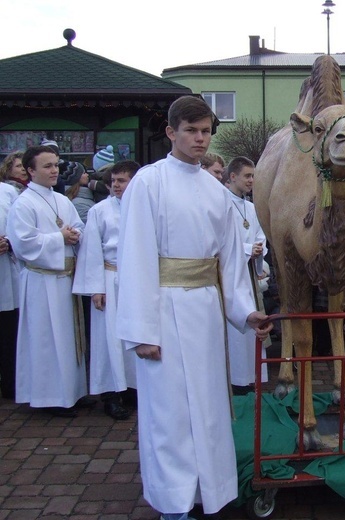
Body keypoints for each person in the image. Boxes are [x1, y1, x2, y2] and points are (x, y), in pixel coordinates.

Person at [115, 96, 271, 520]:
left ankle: (208, 491)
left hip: (204, 311)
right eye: (191, 131)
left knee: (208, 407)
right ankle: (173, 502)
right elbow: (135, 257)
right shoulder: (149, 182)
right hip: (162, 309)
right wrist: (141, 330)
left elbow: (230, 261)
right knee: (169, 412)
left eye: (206, 132)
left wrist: (245, 311)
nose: (200, 139)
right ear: (171, 132)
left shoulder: (214, 191)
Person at [6, 145, 87, 416]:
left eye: (56, 165)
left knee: (68, 337)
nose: (54, 170)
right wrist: (59, 238)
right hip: (42, 281)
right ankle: (49, 396)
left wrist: (77, 234)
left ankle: (72, 391)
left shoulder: (61, 199)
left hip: (65, 280)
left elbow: (77, 225)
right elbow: (23, 244)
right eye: (47, 166)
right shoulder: (24, 203)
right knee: (46, 340)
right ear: (30, 171)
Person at [73, 160, 141, 420]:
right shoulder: (99, 211)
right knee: (109, 339)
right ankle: (111, 395)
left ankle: (134, 388)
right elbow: (91, 250)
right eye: (113, 181)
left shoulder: (143, 208)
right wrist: (96, 288)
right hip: (110, 278)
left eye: (122, 181)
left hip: (135, 280)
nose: (115, 185)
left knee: (134, 335)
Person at [224, 156, 268, 395]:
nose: (252, 180)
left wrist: (259, 248)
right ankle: (234, 379)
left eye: (254, 176)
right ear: (232, 176)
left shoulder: (251, 207)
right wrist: (246, 249)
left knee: (251, 331)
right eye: (247, 176)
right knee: (235, 331)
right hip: (229, 276)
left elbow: (260, 233)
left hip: (249, 275)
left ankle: (250, 377)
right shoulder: (221, 203)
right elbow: (220, 241)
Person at [0, 180, 20, 399]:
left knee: (7, 333)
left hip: (5, 273)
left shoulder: (8, 192)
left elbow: (20, 228)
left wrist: (9, 243)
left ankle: (9, 382)